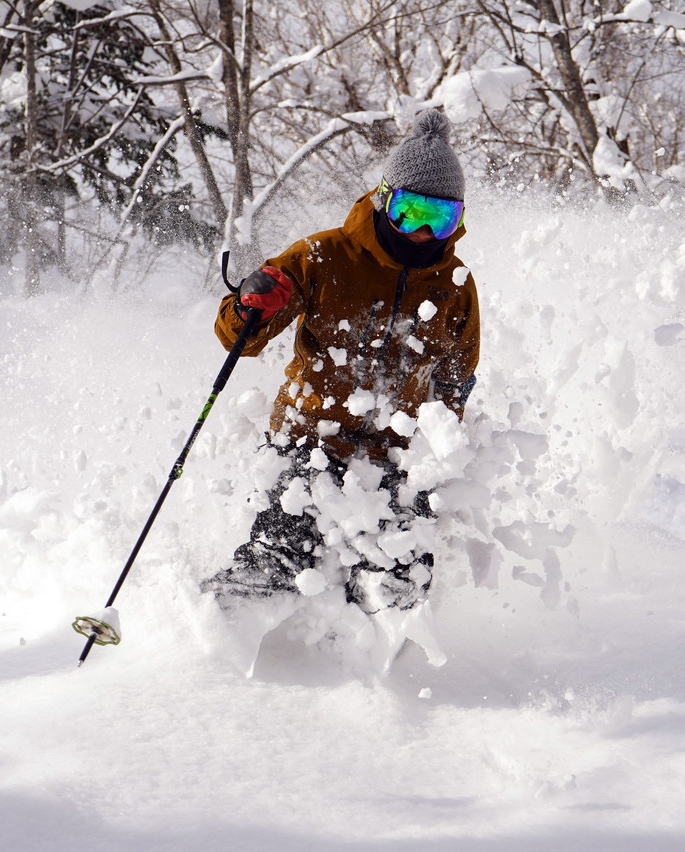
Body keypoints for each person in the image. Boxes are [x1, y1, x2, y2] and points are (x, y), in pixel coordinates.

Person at [201, 110, 480, 617]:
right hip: (309, 436)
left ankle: (383, 629)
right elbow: (239, 338)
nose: (420, 232)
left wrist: (439, 448)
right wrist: (250, 304)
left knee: (401, 563)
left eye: (437, 218)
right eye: (409, 212)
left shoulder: (454, 284)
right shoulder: (324, 255)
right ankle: (247, 604)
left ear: (456, 220)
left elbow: (458, 375)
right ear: (383, 200)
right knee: (288, 535)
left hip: (397, 454)